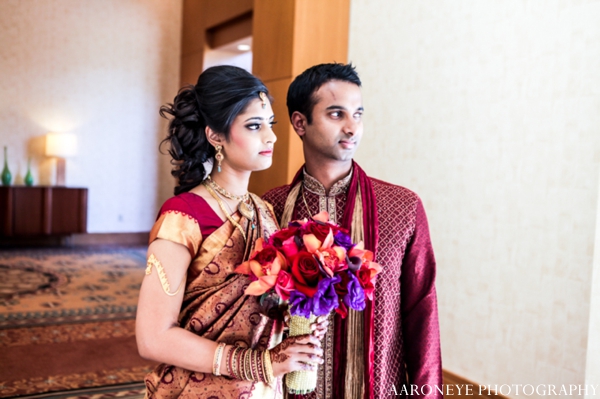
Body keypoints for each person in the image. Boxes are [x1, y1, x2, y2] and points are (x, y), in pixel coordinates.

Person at [136, 65, 327, 399]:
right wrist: (257, 364)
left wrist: (298, 321)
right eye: (254, 126)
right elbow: (152, 337)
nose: (271, 137)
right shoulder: (184, 216)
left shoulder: (264, 211)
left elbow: (260, 307)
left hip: (262, 389)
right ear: (215, 135)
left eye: (271, 124)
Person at [262, 63, 443, 399]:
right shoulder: (268, 209)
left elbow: (423, 311)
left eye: (357, 114)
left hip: (376, 388)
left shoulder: (403, 208)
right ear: (300, 123)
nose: (352, 127)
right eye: (336, 114)